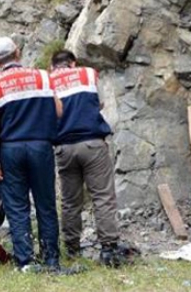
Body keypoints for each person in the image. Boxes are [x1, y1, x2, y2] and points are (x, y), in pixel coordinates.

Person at [0, 37, 64, 272]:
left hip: (11, 150)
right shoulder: (43, 77)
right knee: (46, 204)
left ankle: (25, 262)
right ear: (18, 53)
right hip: (40, 146)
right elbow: (58, 109)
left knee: (17, 206)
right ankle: (51, 260)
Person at [49, 50, 126, 267]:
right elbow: (100, 104)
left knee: (70, 201)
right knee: (102, 197)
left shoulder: (49, 81)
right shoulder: (89, 74)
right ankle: (109, 249)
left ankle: (72, 249)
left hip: (63, 147)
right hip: (92, 143)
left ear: (53, 65)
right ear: (72, 63)